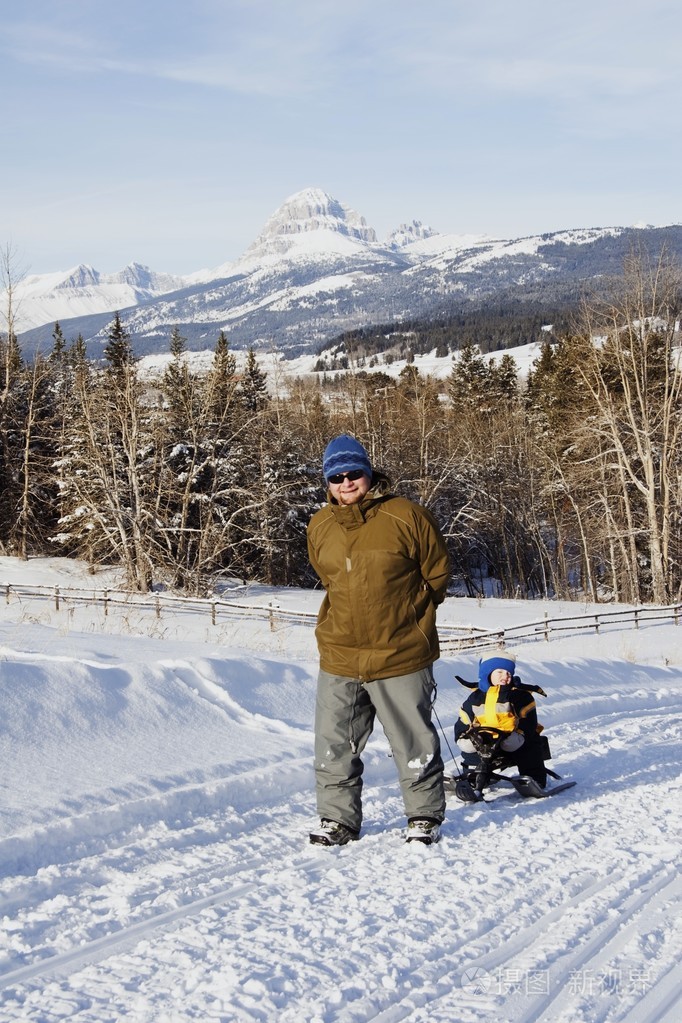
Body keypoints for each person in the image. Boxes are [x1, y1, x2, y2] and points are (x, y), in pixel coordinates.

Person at [307, 434, 451, 846]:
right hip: (340, 654)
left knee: (412, 741)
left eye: (354, 473)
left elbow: (437, 575)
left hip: (400, 652)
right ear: (327, 482)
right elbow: (328, 576)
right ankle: (338, 820)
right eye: (337, 477)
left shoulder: (407, 516)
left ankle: (423, 816)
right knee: (334, 743)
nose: (346, 483)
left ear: (369, 474)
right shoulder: (320, 525)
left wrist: (409, 616)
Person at [454, 655, 547, 787]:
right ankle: (473, 778)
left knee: (530, 747)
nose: (505, 676)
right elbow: (464, 719)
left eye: (509, 673)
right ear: (488, 674)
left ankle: (535, 780)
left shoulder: (518, 695)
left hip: (512, 739)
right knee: (470, 750)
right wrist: (462, 736)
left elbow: (528, 721)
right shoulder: (476, 697)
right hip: (484, 741)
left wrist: (520, 734)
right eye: (500, 672)